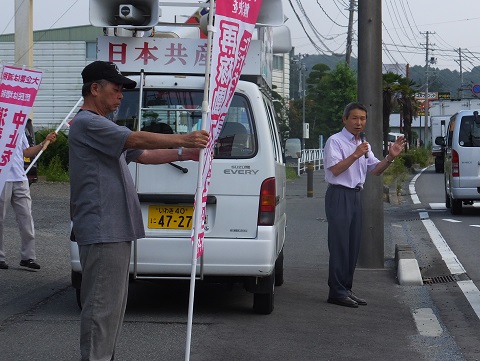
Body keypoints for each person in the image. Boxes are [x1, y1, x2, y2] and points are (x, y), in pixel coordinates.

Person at [69, 60, 209, 361]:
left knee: (110, 311)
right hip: (103, 229)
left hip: (113, 230)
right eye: (116, 89)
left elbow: (143, 154)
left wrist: (187, 153)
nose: (121, 95)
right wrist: (183, 138)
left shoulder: (103, 127)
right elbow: (135, 139)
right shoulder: (87, 123)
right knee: (100, 311)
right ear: (95, 89)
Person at [323, 102, 406, 308]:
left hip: (355, 196)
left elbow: (375, 170)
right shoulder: (336, 141)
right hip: (339, 194)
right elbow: (335, 170)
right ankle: (336, 291)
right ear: (345, 119)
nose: (359, 123)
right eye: (354, 118)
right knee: (340, 244)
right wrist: (355, 154)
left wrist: (390, 157)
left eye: (363, 119)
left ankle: (346, 289)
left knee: (352, 245)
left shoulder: (363, 144)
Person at [0, 126, 57, 270]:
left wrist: (44, 142)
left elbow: (26, 152)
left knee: (26, 218)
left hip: (20, 177)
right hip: (2, 178)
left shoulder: (18, 127)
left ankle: (28, 257)